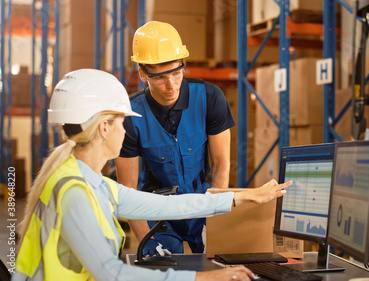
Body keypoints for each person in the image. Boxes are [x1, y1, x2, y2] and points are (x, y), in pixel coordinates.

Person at [12, 69, 291, 281]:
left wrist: (246, 196)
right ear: (104, 129)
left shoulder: (95, 184)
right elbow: (112, 273)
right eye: (123, 121)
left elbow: (171, 205)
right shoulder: (74, 192)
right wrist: (201, 278)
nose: (127, 129)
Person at [114, 21, 235, 255]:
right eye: (160, 77)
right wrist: (146, 241)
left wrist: (216, 220)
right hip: (157, 213)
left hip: (202, 205)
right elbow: (126, 189)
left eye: (177, 72)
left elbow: (221, 164)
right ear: (142, 74)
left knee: (217, 263)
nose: (171, 85)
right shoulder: (130, 116)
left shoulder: (210, 98)